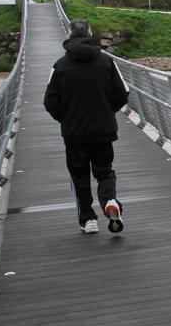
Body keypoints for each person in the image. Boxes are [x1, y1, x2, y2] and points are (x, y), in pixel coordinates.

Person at [44, 19, 129, 234]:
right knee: (104, 171)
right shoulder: (107, 62)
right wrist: (108, 112)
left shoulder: (60, 66)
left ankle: (88, 219)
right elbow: (123, 93)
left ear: (70, 35)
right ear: (90, 34)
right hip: (103, 129)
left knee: (79, 174)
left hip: (74, 132)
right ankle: (109, 200)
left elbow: (50, 101)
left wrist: (66, 118)